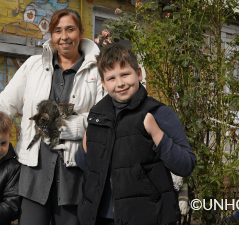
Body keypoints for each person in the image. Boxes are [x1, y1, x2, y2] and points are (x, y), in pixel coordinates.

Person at [0, 8, 105, 225]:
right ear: (51, 36)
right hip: (33, 171)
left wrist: (63, 126)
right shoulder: (34, 66)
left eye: (70, 29)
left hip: (74, 174)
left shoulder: (97, 70)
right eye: (57, 31)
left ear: (81, 32)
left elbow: (102, 120)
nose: (64, 36)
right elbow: (3, 106)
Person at [76, 43, 196, 225]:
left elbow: (186, 165)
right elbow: (87, 166)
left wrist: (156, 134)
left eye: (125, 74)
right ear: (103, 83)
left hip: (146, 215)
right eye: (111, 78)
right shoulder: (98, 115)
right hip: (98, 216)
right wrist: (85, 147)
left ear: (138, 73)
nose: (120, 83)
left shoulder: (159, 113)